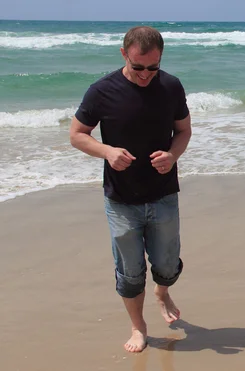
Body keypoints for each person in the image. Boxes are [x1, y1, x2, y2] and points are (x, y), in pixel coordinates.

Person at [69, 26, 192, 353]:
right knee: (130, 271)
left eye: (153, 67)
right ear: (124, 54)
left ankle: (162, 292)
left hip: (164, 193)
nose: (146, 75)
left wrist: (173, 154)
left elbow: (183, 130)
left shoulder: (171, 86)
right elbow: (77, 134)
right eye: (138, 67)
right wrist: (107, 151)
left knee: (166, 266)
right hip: (121, 199)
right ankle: (138, 327)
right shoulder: (102, 91)